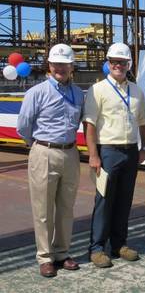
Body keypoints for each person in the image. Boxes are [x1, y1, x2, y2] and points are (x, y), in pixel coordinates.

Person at [17, 43, 84, 277]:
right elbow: (23, 127)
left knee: (66, 208)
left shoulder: (78, 94)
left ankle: (62, 253)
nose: (61, 68)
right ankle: (45, 257)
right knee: (43, 209)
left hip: (71, 152)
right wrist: (37, 147)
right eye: (57, 64)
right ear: (50, 65)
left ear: (71, 66)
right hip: (44, 151)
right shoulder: (37, 93)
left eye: (65, 64)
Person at [83, 42, 145, 268]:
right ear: (108, 63)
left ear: (128, 64)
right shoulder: (97, 90)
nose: (118, 66)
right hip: (108, 151)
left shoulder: (136, 90)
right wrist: (93, 155)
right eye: (114, 62)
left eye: (122, 62)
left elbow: (143, 122)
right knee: (104, 200)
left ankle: (119, 244)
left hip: (130, 151)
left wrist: (144, 148)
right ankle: (97, 247)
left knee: (124, 200)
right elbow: (89, 124)